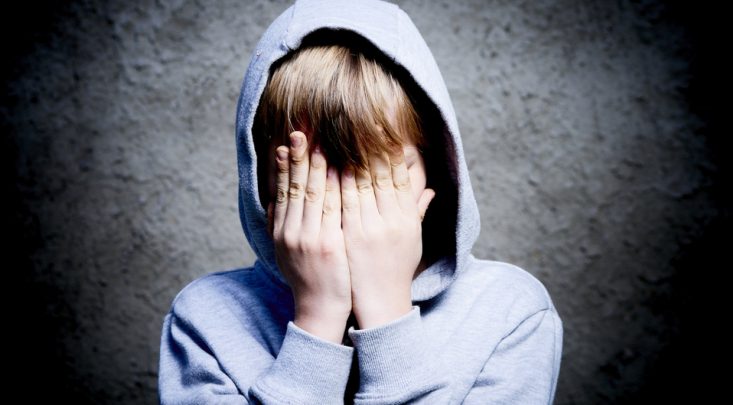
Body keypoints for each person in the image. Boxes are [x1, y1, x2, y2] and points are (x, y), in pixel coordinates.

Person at [158, 0, 563, 403]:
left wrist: (387, 312)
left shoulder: (508, 313)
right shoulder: (206, 319)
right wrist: (318, 318)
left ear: (435, 169)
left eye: (379, 174)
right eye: (309, 175)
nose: (348, 204)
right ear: (262, 186)